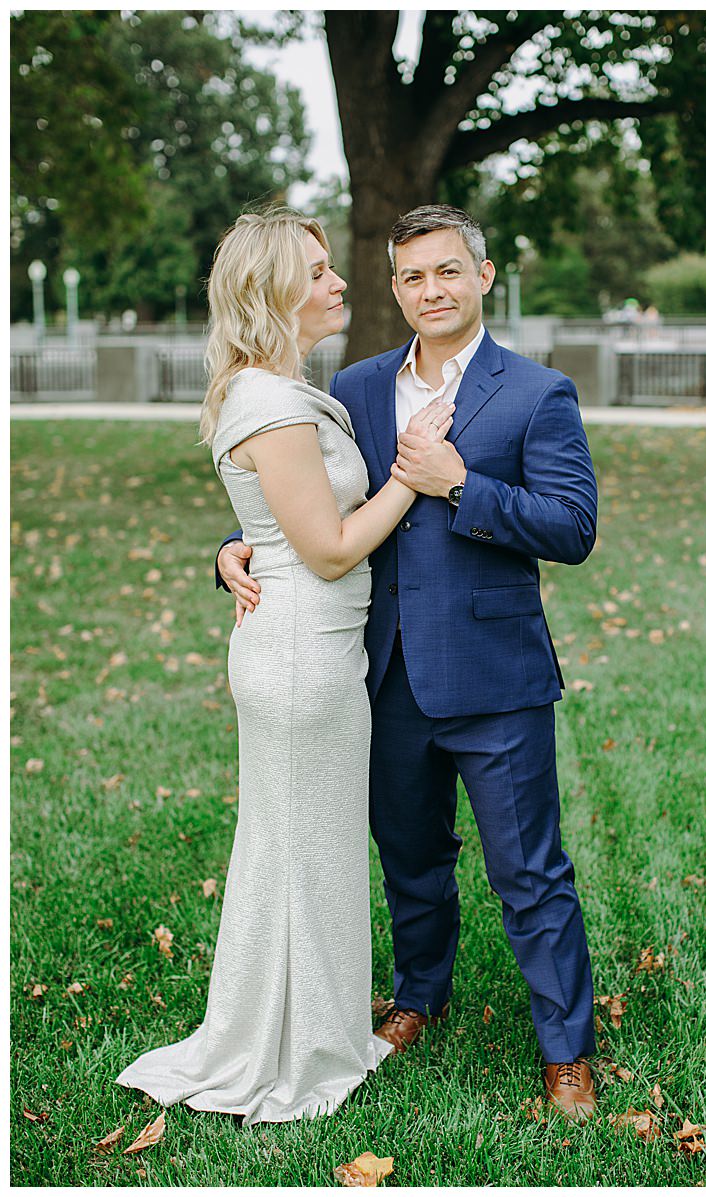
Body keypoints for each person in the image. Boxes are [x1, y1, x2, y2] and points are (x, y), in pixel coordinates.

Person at [217, 204, 601, 1121]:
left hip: (494, 676)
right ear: (394, 286)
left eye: (447, 272)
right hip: (376, 672)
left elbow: (573, 527)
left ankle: (567, 1051)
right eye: (411, 277)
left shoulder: (536, 393)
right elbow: (305, 492)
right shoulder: (353, 386)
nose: (430, 291)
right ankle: (419, 994)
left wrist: (462, 484)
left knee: (530, 873)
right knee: (410, 857)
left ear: (483, 275)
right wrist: (231, 545)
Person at [117, 209, 455, 1124]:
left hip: (311, 647)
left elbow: (278, 523)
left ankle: (304, 1025)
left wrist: (240, 545)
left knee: (299, 847)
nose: (339, 279)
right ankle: (298, 1048)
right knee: (303, 849)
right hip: (303, 654)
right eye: (315, 271)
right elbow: (332, 546)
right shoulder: (266, 399)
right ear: (272, 294)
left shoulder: (273, 389)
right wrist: (414, 478)